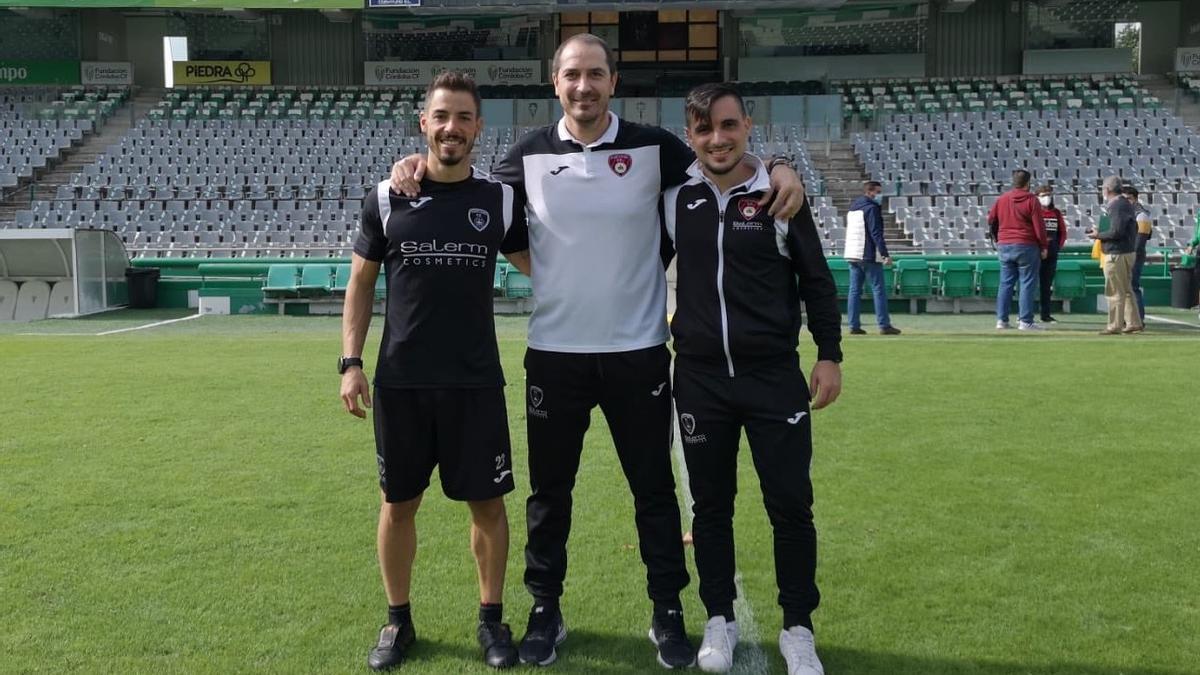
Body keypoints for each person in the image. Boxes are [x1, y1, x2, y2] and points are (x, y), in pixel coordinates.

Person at [387, 33, 808, 669]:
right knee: (550, 495)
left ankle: (667, 612)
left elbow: (726, 159)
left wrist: (780, 164)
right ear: (554, 84)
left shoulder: (656, 148)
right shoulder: (526, 156)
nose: (583, 87)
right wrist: (410, 165)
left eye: (596, 75)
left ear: (614, 82)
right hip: (554, 355)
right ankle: (544, 610)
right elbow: (467, 193)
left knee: (654, 492)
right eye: (572, 76)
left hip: (639, 351)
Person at [338, 72, 530, 671]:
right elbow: (361, 286)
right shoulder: (386, 197)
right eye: (440, 116)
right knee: (398, 505)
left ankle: (491, 622)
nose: (451, 128)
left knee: (490, 508)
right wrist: (350, 363)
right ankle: (398, 622)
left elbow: (543, 267)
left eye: (464, 117)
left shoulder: (499, 200)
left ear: (478, 127)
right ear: (424, 123)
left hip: (475, 383)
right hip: (402, 384)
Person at [662, 82, 842, 675]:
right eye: (705, 129)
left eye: (729, 126)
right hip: (699, 380)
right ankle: (720, 619)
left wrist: (829, 353)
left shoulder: (778, 194)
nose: (718, 139)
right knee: (710, 508)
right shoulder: (673, 196)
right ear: (690, 135)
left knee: (791, 505)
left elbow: (816, 279)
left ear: (747, 127)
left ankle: (798, 628)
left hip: (773, 378)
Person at [987, 169, 1048, 331]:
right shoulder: (1031, 200)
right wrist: (1043, 246)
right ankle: (1025, 321)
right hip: (1026, 245)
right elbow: (1039, 226)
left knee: (1005, 283)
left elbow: (991, 219)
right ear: (1028, 183)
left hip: (1005, 244)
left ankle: (1002, 320)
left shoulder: (1002, 199)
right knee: (1027, 283)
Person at [1087, 176, 1142, 334]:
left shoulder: (1116, 205)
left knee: (1115, 290)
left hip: (1116, 253)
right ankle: (1133, 322)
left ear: (1107, 190)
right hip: (1126, 251)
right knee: (1126, 289)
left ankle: (1114, 325)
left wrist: (1098, 235)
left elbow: (1116, 231)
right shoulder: (1125, 204)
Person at [844, 181, 900, 335]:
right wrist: (885, 254)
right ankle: (884, 325)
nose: (880, 195)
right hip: (867, 253)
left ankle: (853, 325)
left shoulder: (854, 206)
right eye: (878, 191)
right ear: (870, 192)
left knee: (854, 291)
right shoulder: (872, 208)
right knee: (878, 290)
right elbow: (876, 233)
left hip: (852, 253)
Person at [1034, 185, 1068, 323]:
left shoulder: (1056, 213)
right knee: (1028, 284)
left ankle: (1045, 314)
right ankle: (1024, 314)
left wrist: (1056, 247)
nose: (1046, 197)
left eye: (1048, 194)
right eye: (1042, 195)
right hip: (1035, 253)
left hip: (1052, 253)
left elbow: (1062, 233)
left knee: (1046, 285)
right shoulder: (1034, 212)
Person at [1121, 185, 1153, 322]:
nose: (1126, 201)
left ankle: (1138, 318)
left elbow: (1140, 242)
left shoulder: (1142, 216)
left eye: (1128, 198)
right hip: (1126, 254)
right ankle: (1128, 318)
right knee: (1125, 288)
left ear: (1135, 199)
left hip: (1135, 256)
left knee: (1133, 287)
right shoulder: (1127, 214)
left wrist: (1131, 255)